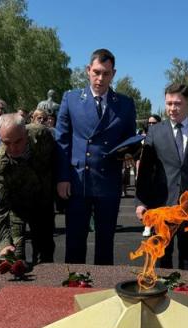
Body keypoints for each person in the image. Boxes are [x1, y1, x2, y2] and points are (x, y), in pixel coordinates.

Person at [55, 48, 137, 265]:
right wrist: (62, 177)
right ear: (88, 70)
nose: (100, 78)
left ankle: (104, 284)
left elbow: (130, 138)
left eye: (106, 74)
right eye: (97, 72)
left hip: (108, 181)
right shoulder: (71, 99)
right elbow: (62, 142)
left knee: (105, 244)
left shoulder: (125, 104)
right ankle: (73, 282)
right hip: (78, 182)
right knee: (74, 242)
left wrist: (130, 152)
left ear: (113, 74)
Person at [135, 83, 188, 270]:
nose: (172, 108)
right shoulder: (155, 132)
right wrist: (140, 202)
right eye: (169, 103)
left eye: (177, 103)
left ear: (187, 103)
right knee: (162, 258)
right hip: (161, 205)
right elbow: (145, 171)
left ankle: (186, 288)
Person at [0, 113, 55, 264]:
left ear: (26, 133)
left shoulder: (41, 135)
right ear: (0, 139)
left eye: (18, 141)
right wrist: (4, 241)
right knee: (15, 256)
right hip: (17, 208)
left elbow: (58, 158)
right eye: (7, 143)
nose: (13, 148)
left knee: (45, 252)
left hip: (43, 204)